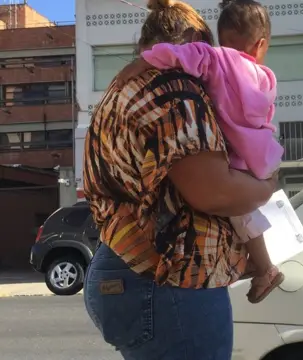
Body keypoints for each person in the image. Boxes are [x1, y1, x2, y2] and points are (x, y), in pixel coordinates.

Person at [82, 0, 277, 358]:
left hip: (126, 263)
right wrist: (267, 186)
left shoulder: (120, 90)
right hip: (170, 279)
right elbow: (215, 193)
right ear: (187, 41)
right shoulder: (174, 90)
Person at [116, 0, 283, 304]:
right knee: (244, 210)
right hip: (259, 156)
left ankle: (264, 267)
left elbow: (178, 56)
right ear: (260, 44)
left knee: (240, 211)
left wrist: (144, 62)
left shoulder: (214, 59)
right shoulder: (266, 78)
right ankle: (262, 266)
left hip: (233, 155)